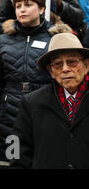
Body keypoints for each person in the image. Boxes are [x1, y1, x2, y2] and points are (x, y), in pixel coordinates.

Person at [0, 0, 72, 166]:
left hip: (46, 110)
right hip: (10, 114)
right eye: (18, 5)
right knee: (14, 160)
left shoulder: (55, 38)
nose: (22, 9)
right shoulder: (3, 40)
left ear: (42, 9)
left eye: (28, 5)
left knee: (45, 160)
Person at [12, 32, 89, 168]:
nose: (65, 69)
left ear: (86, 66)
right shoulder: (31, 103)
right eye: (58, 64)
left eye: (71, 61)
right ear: (51, 71)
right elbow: (15, 150)